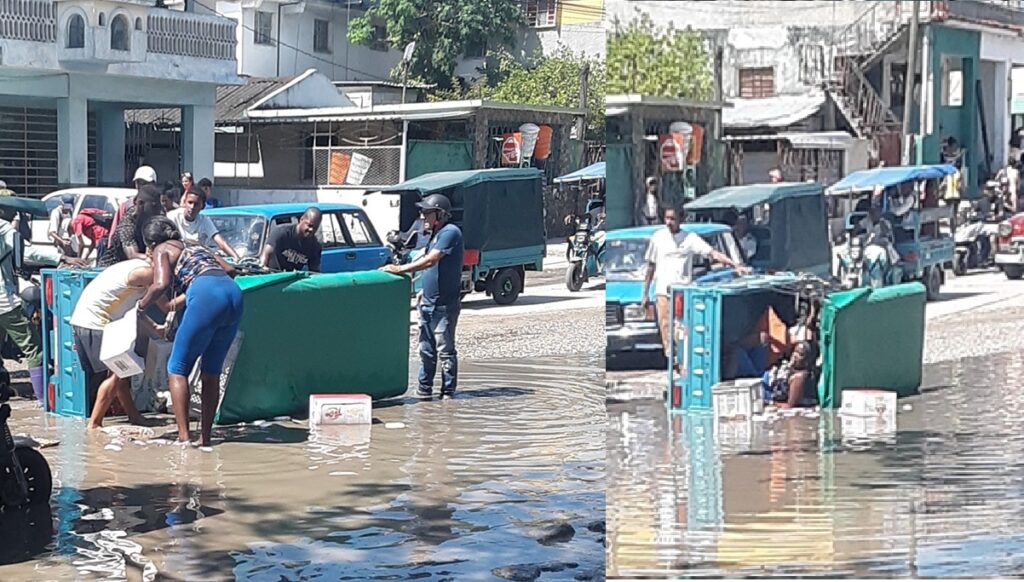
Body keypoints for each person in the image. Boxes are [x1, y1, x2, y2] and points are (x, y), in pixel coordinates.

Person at [137, 217, 243, 446]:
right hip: (233, 294)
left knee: (177, 368)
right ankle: (206, 439)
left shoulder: (161, 249)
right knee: (211, 371)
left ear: (150, 242)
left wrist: (142, 305)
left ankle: (184, 439)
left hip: (206, 295)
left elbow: (161, 284)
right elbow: (230, 269)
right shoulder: (195, 245)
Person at [380, 194, 464, 399]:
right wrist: (422, 290)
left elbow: (431, 261)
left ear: (440, 214)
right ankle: (424, 391)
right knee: (425, 350)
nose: (423, 216)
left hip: (443, 306)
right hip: (427, 303)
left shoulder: (450, 232)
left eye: (427, 212)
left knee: (445, 350)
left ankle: (447, 394)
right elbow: (430, 269)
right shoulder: (434, 235)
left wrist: (399, 269)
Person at [640, 207, 750, 358]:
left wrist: (735, 265)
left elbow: (713, 253)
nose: (669, 222)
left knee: (682, 329)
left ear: (680, 220)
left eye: (673, 219)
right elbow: (651, 266)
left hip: (682, 291)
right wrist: (645, 293)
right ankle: (672, 363)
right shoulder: (658, 238)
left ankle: (683, 362)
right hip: (662, 292)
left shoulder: (690, 238)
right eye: (667, 219)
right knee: (666, 329)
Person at [70, 256, 159, 429]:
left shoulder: (136, 265)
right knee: (117, 373)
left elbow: (138, 309)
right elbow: (165, 303)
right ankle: (95, 423)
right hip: (97, 323)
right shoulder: (147, 273)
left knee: (121, 373)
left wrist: (153, 326)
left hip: (84, 319)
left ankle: (134, 416)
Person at [0, 206, 44, 404]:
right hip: (3, 301)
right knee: (34, 348)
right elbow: (29, 252)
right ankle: (43, 400)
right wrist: (61, 257)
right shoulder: (4, 228)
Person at [99, 184, 163, 268]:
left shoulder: (154, 219)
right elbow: (132, 255)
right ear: (140, 203)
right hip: (113, 267)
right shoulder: (128, 223)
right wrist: (156, 258)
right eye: (154, 206)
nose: (159, 210)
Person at [167, 189, 240, 260]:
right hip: (176, 258)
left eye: (196, 204)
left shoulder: (204, 220)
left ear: (202, 206)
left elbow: (221, 242)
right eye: (190, 202)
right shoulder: (172, 217)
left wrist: (237, 259)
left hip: (197, 259)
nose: (192, 207)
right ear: (185, 203)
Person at [260, 208, 323, 272]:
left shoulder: (314, 246)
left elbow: (314, 271)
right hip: (273, 276)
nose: (311, 230)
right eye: (309, 225)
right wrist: (262, 269)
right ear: (302, 219)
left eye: (315, 228)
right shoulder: (281, 233)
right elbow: (266, 253)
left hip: (291, 279)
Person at [108, 166, 157, 247]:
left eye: (144, 183)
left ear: (153, 184)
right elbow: (114, 232)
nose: (141, 186)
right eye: (138, 182)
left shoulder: (160, 205)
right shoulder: (126, 206)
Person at [763, 341, 816, 409]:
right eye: (795, 351)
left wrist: (771, 403)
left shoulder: (799, 377)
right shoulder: (787, 369)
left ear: (807, 360)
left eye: (800, 354)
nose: (795, 355)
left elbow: (789, 406)